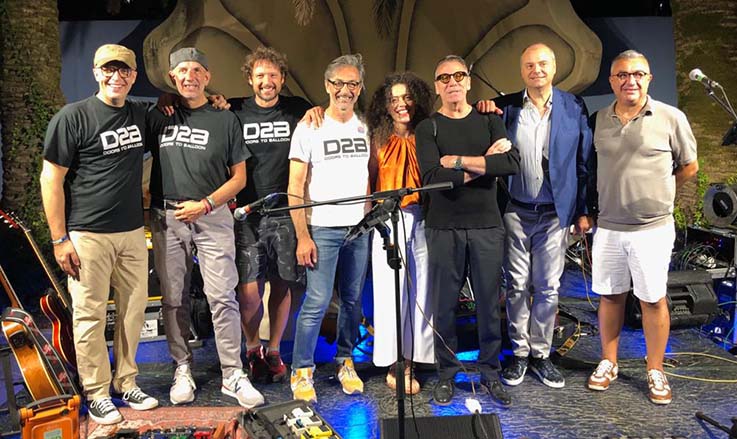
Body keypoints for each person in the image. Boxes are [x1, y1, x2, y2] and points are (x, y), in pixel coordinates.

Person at [40, 44, 158, 425]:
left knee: (132, 311)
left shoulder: (140, 114)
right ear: (95, 72)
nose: (115, 77)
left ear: (133, 76)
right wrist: (60, 238)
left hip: (132, 233)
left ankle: (126, 381)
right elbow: (50, 178)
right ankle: (97, 392)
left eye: (123, 71)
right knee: (89, 316)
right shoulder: (72, 118)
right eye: (108, 69)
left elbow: (176, 110)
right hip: (87, 236)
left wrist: (215, 101)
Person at [147, 47, 264, 408]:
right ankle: (182, 367)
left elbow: (239, 178)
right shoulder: (160, 116)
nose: (190, 76)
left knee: (222, 296)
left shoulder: (224, 119)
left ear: (208, 77)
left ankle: (232, 373)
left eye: (197, 70)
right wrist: (164, 99)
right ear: (173, 77)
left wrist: (207, 204)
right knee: (173, 297)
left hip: (212, 214)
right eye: (183, 70)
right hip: (169, 215)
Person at [587, 49, 698, 405]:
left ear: (649, 78)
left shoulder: (671, 117)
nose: (630, 81)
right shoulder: (598, 119)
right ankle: (609, 362)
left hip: (652, 229)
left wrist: (659, 191)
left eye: (637, 74)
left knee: (652, 299)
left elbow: (689, 167)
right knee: (610, 296)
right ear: (612, 81)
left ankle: (655, 369)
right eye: (622, 74)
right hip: (609, 227)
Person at [415, 55, 520, 406]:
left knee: (489, 303)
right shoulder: (428, 128)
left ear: (469, 81)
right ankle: (447, 374)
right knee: (444, 305)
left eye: (458, 75)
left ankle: (490, 372)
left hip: (486, 225)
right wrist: (484, 163)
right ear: (437, 86)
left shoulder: (490, 119)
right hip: (443, 226)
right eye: (444, 78)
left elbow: (509, 163)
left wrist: (458, 162)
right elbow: (432, 177)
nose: (452, 83)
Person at [490, 43, 593, 389]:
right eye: (530, 65)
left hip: (554, 214)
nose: (536, 70)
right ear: (522, 71)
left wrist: (583, 210)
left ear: (554, 67)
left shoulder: (573, 106)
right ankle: (519, 353)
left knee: (548, 287)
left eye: (543, 64)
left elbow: (583, 162)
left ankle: (541, 353)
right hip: (516, 211)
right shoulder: (506, 108)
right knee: (517, 285)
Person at [287, 53, 371, 403]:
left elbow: (369, 176)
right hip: (321, 228)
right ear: (327, 85)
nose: (345, 90)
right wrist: (302, 235)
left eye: (352, 84)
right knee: (318, 300)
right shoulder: (310, 126)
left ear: (360, 88)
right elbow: (295, 185)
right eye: (338, 83)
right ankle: (301, 369)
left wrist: (368, 216)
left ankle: (345, 361)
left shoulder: (366, 126)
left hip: (359, 230)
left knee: (352, 301)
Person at [228, 47, 312, 384]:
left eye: (273, 75)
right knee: (249, 290)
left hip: (285, 212)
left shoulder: (298, 110)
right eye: (260, 75)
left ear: (282, 79)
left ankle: (274, 349)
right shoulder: (234, 110)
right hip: (247, 214)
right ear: (250, 79)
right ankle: (252, 348)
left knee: (281, 284)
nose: (267, 81)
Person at [365, 72, 436, 395]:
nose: (401, 104)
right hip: (389, 218)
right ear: (385, 105)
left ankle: (415, 360)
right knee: (390, 293)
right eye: (393, 99)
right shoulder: (377, 138)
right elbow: (369, 181)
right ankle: (395, 363)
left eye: (406, 97)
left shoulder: (429, 133)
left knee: (421, 291)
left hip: (424, 217)